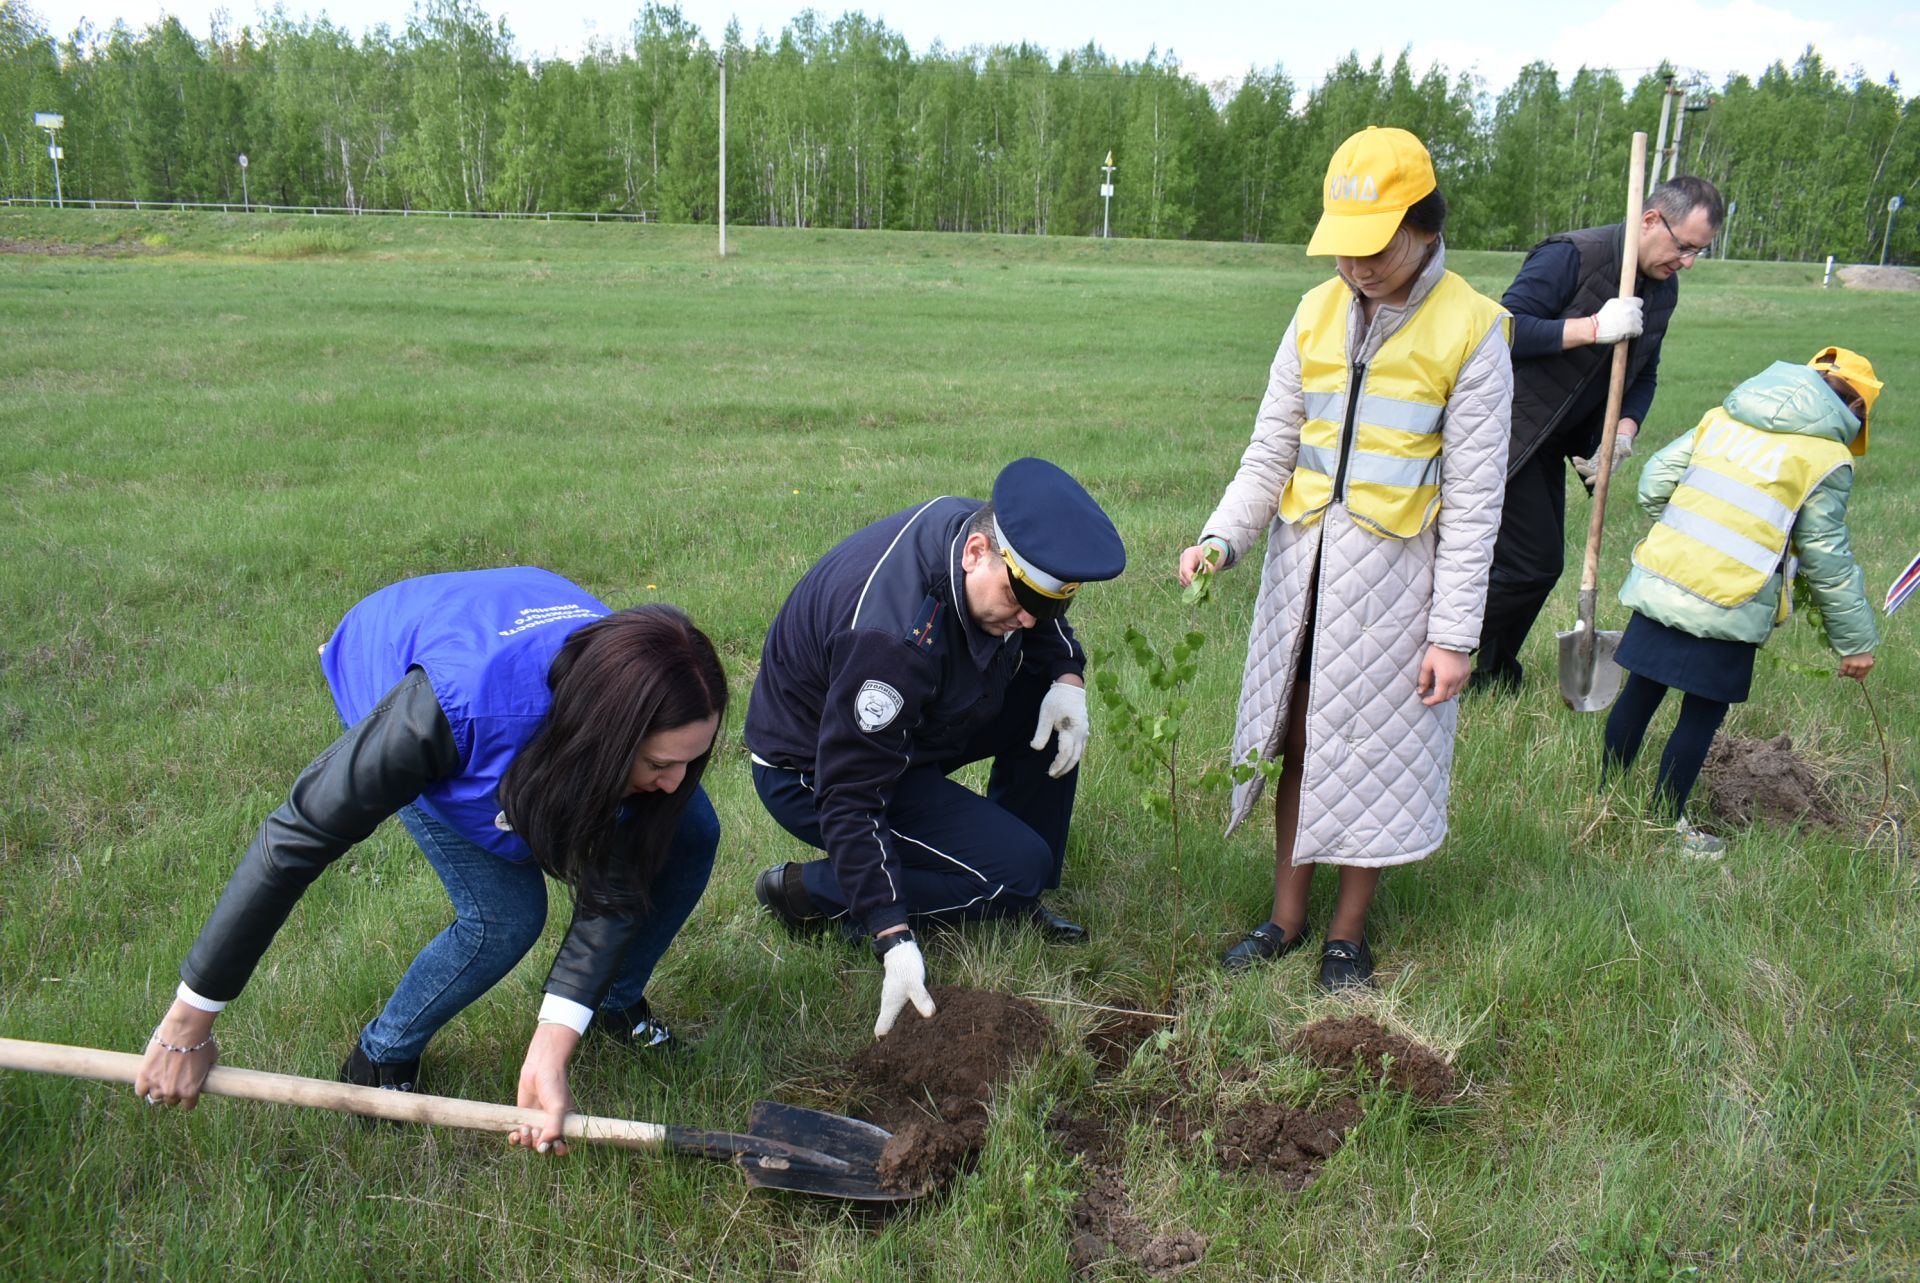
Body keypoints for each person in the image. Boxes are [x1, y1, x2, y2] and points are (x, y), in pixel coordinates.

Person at [134, 567, 728, 1157]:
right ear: (606, 741)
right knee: (504, 916)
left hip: (514, 638)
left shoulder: (639, 707)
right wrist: (187, 1027)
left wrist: (551, 1046)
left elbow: (616, 886)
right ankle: (380, 1056)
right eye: (658, 765)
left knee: (692, 831)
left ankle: (610, 1003)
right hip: (401, 664)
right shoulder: (445, 712)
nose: (676, 784)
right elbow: (295, 838)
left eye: (689, 762)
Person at [1177, 126, 1512, 989]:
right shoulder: (1313, 310)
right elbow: (1270, 451)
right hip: (1304, 580)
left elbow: (1477, 505)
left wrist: (1454, 636)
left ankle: (1347, 934)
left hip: (1400, 591)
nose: (1356, 267)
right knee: (1294, 739)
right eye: (1344, 248)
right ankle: (1286, 919)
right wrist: (1223, 537)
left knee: (1370, 753)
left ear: (1423, 226)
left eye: (1374, 249)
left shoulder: (1475, 330)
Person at [745, 458, 1125, 1035]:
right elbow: (849, 795)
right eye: (1019, 598)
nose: (1029, 619)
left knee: (1042, 706)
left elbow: (1039, 617)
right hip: (812, 770)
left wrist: (1067, 678)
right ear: (977, 552)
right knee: (1011, 871)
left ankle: (1020, 891)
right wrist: (892, 935)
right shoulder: (891, 642)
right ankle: (811, 892)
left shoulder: (977, 538)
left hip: (923, 721)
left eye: (1049, 606)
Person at [1601, 348, 1880, 856]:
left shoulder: (1723, 416)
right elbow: (1827, 560)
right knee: (1700, 716)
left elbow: (1653, 485)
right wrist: (1855, 643)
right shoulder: (1826, 458)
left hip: (1665, 578)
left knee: (1640, 693)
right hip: (1733, 599)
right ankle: (1667, 826)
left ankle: (1607, 800)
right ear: (1855, 410)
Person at [1471, 175, 1726, 692]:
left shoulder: (1662, 288)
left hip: (1549, 442)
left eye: (1700, 252)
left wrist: (1623, 433)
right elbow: (1500, 330)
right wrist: (1590, 328)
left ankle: (1489, 672)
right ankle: (1450, 654)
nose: (1688, 263)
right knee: (1529, 566)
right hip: (1500, 427)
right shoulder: (1572, 255)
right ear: (1651, 219)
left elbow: (1645, 371)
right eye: (1684, 247)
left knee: (1524, 565)